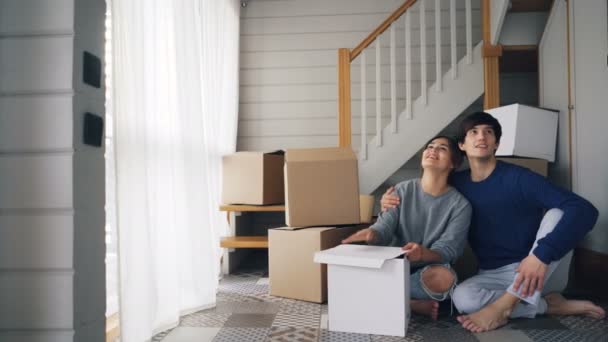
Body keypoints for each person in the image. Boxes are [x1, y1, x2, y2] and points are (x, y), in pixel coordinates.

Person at [381, 112, 605, 332]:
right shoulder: (456, 184)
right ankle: (548, 305)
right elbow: (425, 192)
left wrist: (540, 256)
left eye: (489, 132)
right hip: (493, 274)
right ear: (462, 145)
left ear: (496, 144)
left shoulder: (520, 178)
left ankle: (505, 307)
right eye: (474, 132)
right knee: (463, 299)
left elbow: (585, 210)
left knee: (558, 212)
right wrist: (389, 201)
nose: (481, 137)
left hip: (541, 268)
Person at [343, 135, 472, 320]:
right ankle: (409, 303)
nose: (433, 150)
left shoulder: (460, 205)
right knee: (350, 271)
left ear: (454, 163)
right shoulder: (400, 190)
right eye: (430, 146)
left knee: (444, 277)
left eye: (442, 148)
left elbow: (449, 249)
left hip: (425, 273)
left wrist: (423, 254)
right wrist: (373, 234)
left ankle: (383, 296)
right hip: (391, 265)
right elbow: (384, 228)